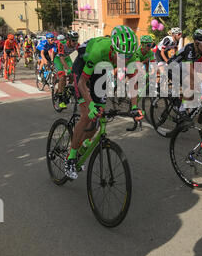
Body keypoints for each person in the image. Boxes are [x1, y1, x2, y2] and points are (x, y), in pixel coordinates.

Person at [65, 25, 144, 180]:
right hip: (83, 66)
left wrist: (135, 107)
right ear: (113, 50)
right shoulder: (99, 50)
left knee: (98, 118)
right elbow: (82, 83)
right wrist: (90, 104)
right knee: (87, 113)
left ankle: (83, 145)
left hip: (102, 70)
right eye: (121, 56)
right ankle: (70, 158)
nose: (124, 61)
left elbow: (133, 82)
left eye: (128, 57)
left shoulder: (130, 56)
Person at [54, 31, 79, 109]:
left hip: (67, 59)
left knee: (73, 74)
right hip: (59, 59)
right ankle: (61, 99)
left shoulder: (77, 45)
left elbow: (82, 55)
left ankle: (68, 88)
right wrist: (67, 69)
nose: (75, 42)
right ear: (68, 39)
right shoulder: (62, 44)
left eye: (76, 40)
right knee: (62, 77)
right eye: (73, 40)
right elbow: (61, 58)